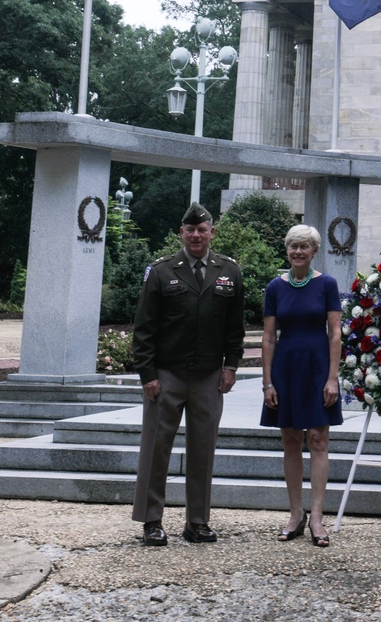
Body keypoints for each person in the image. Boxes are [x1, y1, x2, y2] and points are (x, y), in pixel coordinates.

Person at [131, 202, 244, 547]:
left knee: (203, 448)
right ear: (182, 233)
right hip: (166, 375)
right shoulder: (162, 270)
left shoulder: (229, 271)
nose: (197, 235)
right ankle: (152, 521)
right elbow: (144, 328)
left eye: (202, 229)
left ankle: (197, 521)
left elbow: (235, 327)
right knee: (156, 448)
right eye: (190, 230)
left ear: (212, 232)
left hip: (209, 375)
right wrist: (148, 374)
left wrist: (231, 366)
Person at [260, 224, 343, 546]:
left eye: (304, 247)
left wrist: (333, 377)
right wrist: (267, 382)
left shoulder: (327, 284)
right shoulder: (274, 287)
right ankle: (296, 515)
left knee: (319, 439)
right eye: (293, 246)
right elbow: (268, 337)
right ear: (286, 250)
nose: (297, 251)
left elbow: (335, 332)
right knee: (291, 440)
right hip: (286, 368)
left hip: (318, 367)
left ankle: (318, 518)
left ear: (314, 251)